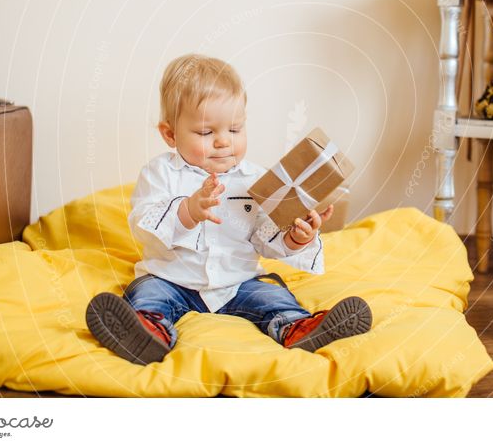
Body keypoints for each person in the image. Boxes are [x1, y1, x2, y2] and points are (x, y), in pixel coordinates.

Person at [85, 53, 372, 365]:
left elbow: (265, 238)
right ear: (170, 134)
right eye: (207, 133)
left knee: (272, 296)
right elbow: (143, 225)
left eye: (235, 130)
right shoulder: (159, 174)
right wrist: (188, 211)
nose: (223, 142)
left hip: (238, 283)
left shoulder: (256, 180)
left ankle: (296, 327)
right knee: (148, 293)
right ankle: (148, 331)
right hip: (172, 278)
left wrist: (297, 237)